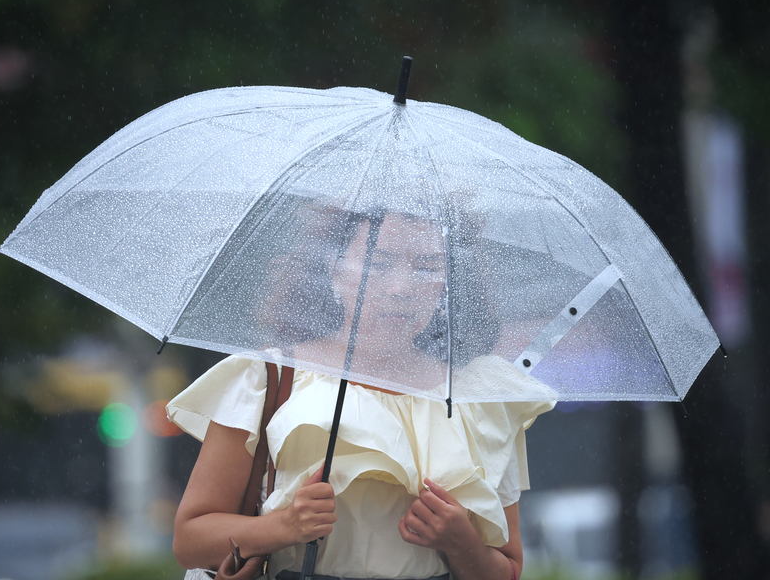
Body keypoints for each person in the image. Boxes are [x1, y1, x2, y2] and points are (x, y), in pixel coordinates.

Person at [168, 209, 554, 580]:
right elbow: (190, 540)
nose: (401, 288)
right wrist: (283, 526)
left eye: (426, 267)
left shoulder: (480, 397)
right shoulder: (270, 377)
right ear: (334, 269)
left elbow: (509, 568)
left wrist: (462, 543)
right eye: (378, 263)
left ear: (448, 282)